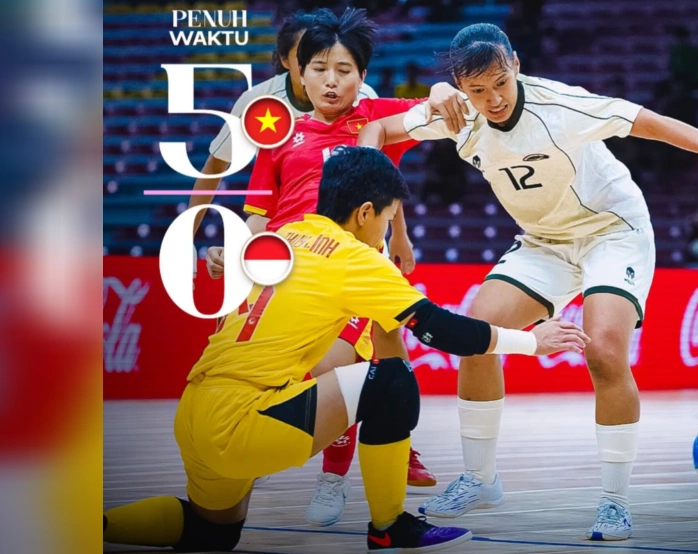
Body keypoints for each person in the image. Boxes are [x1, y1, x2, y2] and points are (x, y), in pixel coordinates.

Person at [358, 23, 698, 541]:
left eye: (500, 82)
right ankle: (481, 479)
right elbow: (380, 132)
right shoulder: (458, 114)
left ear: (516, 65)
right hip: (545, 240)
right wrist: (374, 184)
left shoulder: (562, 105)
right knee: (477, 334)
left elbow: (648, 122)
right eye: (477, 90)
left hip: (611, 230)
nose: (492, 98)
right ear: (461, 87)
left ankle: (615, 502)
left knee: (605, 352)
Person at [103, 146, 589, 553]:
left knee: (211, 532)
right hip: (244, 423)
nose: (387, 231)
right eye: (389, 218)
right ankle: (389, 527)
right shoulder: (357, 257)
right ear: (365, 213)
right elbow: (439, 330)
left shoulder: (282, 237)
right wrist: (531, 340)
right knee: (393, 382)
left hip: (195, 413)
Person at [202, 7, 468, 526]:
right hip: (282, 276)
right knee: (266, 381)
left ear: (362, 77)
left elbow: (434, 106)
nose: (330, 80)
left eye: (344, 70)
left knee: (343, 366)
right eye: (319, 68)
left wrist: (439, 90)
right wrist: (235, 256)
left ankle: (334, 479)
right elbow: (259, 217)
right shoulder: (278, 135)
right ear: (297, 74)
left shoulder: (377, 121)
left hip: (347, 273)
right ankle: (224, 497)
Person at [187, 10, 380, 237]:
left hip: (353, 225)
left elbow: (383, 171)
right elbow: (216, 165)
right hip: (286, 227)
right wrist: (186, 237)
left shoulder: (363, 96)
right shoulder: (257, 102)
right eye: (305, 56)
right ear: (286, 60)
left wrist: (399, 232)